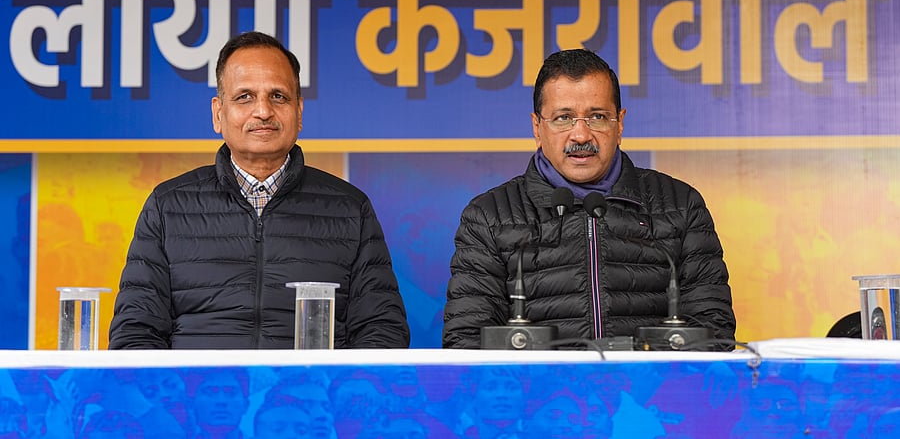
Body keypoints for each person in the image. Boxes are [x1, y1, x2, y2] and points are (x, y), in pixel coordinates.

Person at [109, 31, 409, 349]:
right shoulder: (168, 206)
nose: (263, 111)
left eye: (278, 96)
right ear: (218, 113)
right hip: (200, 396)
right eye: (245, 97)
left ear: (299, 112)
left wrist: (326, 395)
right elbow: (135, 333)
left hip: (311, 396)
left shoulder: (350, 209)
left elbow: (382, 331)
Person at [442, 48, 735, 348]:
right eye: (563, 118)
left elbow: (713, 336)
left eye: (597, 117)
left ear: (619, 124)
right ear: (537, 127)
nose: (580, 136)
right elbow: (467, 345)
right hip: (538, 394)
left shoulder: (680, 206)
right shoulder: (490, 217)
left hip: (648, 392)